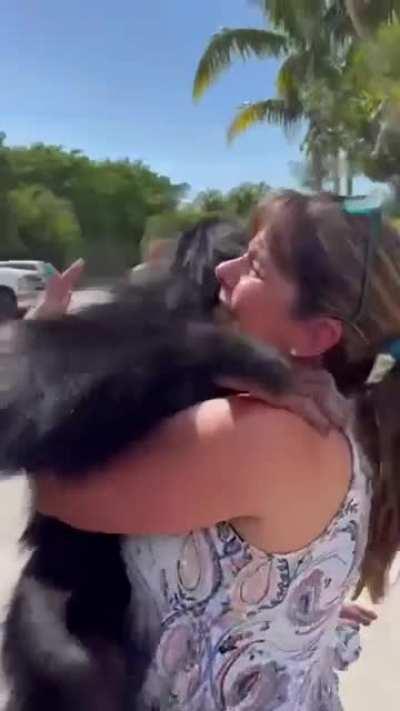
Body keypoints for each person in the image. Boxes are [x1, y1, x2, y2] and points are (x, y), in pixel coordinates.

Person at [34, 190, 397, 709]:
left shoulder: (258, 435)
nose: (224, 269)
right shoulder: (341, 416)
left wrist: (46, 350)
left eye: (255, 265)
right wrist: (283, 619)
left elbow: (57, 487)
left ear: (318, 333)